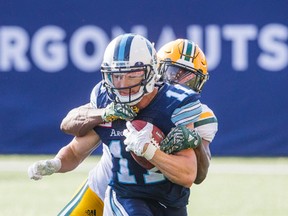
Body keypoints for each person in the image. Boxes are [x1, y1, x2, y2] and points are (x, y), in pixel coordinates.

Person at [28, 34, 208, 215]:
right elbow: (72, 138)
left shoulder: (181, 106)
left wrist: (187, 143)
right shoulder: (107, 101)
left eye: (132, 76)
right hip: (121, 192)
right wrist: (56, 163)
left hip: (169, 202)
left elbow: (191, 175)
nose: (123, 84)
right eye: (117, 76)